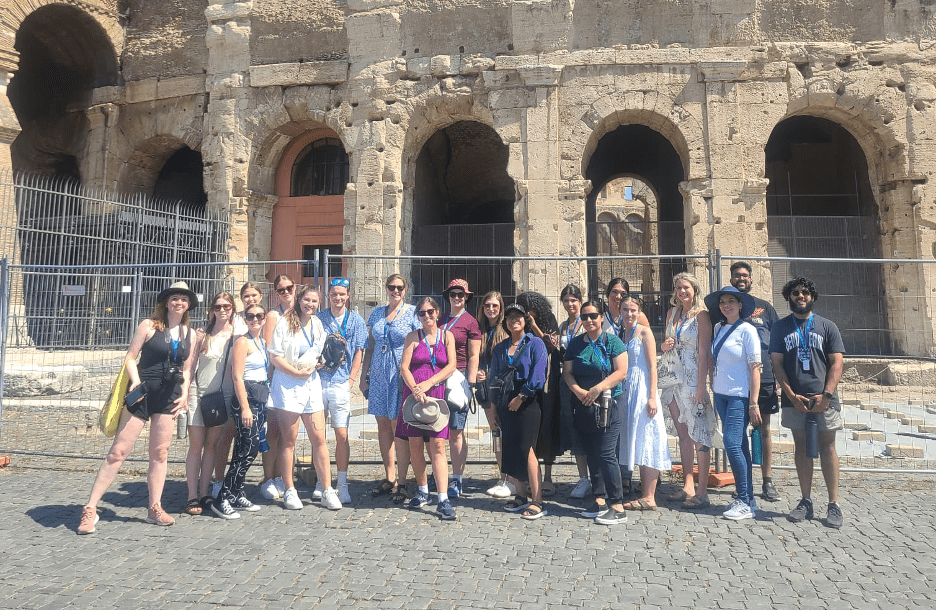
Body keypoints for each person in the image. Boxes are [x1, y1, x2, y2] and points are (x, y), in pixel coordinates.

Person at [78, 282, 198, 534]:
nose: (179, 302)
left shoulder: (190, 334)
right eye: (174, 298)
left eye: (184, 299)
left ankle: (154, 506)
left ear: (188, 305)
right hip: (142, 393)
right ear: (166, 303)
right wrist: (135, 381)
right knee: (118, 452)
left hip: (169, 397)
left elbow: (187, 369)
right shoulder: (149, 326)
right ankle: (90, 508)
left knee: (160, 453)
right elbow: (130, 357)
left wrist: (185, 394)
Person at [769, 277, 845, 529]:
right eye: (794, 293)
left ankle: (833, 503)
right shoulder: (780, 328)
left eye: (804, 293)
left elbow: (837, 362)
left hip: (824, 397)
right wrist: (790, 395)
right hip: (795, 398)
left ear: (812, 296)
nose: (800, 296)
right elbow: (777, 363)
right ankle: (806, 500)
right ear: (788, 297)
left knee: (828, 446)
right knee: (800, 446)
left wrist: (827, 395)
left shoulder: (827, 326)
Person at [269, 285, 341, 510]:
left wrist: (318, 362)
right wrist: (295, 372)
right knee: (289, 441)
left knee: (319, 439)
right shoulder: (285, 323)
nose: (310, 304)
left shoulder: (317, 324)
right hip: (289, 384)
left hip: (311, 383)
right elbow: (275, 356)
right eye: (307, 300)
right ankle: (289, 489)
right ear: (300, 300)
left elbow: (317, 350)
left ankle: (328, 489)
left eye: (314, 301)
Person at [563, 300, 629, 526]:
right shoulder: (574, 344)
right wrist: (579, 391)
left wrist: (597, 389)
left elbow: (621, 372)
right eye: (584, 317)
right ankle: (599, 499)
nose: (589, 320)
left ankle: (617, 505)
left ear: (601, 317)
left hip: (609, 402)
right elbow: (568, 373)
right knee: (591, 451)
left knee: (606, 452)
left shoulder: (613, 342)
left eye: (593, 316)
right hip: (584, 402)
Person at [396, 297, 458, 521]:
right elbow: (404, 367)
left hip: (436, 394)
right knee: (414, 445)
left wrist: (429, 384)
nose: (427, 316)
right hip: (414, 397)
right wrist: (416, 390)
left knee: (438, 445)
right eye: (422, 313)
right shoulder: (413, 337)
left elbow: (451, 365)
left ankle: (443, 497)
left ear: (438, 312)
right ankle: (423, 490)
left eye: (430, 312)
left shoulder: (447, 336)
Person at [659, 272, 718, 509]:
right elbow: (665, 343)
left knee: (700, 435)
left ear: (694, 289)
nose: (682, 291)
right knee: (683, 435)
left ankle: (703, 491)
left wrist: (702, 386)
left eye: (686, 287)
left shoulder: (701, 316)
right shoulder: (672, 314)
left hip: (693, 381)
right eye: (678, 287)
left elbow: (705, 353)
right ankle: (688, 485)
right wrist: (663, 345)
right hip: (674, 380)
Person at [360, 274, 419, 499]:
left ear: (405, 289)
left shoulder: (413, 313)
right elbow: (370, 347)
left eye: (399, 287)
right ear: (386, 289)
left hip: (400, 374)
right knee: (383, 425)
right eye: (391, 287)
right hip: (378, 373)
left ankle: (403, 481)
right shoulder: (376, 313)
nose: (395, 291)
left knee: (398, 426)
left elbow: (418, 343)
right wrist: (364, 376)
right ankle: (390, 475)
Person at [705, 286, 761, 520]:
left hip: (740, 395)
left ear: (740, 306)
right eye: (722, 302)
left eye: (731, 301)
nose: (726, 305)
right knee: (740, 446)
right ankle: (749, 498)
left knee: (731, 444)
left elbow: (755, 368)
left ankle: (742, 498)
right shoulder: (718, 328)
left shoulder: (748, 330)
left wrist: (754, 403)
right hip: (721, 394)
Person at [488, 303, 550, 519]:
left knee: (527, 449)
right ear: (505, 322)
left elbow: (539, 373)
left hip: (527, 400)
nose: (514, 320)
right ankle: (521, 496)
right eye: (510, 317)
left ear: (526, 320)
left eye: (518, 316)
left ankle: (538, 500)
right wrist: (493, 407)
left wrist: (522, 396)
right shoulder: (500, 348)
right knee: (512, 448)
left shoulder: (535, 344)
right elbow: (494, 378)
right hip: (505, 399)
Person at [728, 261, 781, 501]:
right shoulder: (726, 305)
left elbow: (777, 341)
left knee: (764, 429)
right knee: (737, 431)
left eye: (746, 276)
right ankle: (744, 480)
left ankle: (767, 480)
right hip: (735, 376)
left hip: (766, 374)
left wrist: (780, 375)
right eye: (737, 275)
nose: (742, 279)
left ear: (751, 279)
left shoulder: (765, 307)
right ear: (731, 279)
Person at [211, 304, 271, 519]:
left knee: (244, 448)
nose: (255, 319)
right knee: (249, 449)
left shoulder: (262, 342)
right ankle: (223, 497)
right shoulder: (242, 342)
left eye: (259, 316)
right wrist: (245, 407)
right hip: (246, 400)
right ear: (245, 319)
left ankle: (237, 492)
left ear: (264, 319)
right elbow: (237, 376)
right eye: (251, 316)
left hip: (260, 399)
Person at [183, 292, 236, 516]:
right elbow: (189, 366)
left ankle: (205, 492)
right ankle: (191, 494)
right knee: (196, 446)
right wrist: (184, 393)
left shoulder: (237, 335)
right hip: (199, 393)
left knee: (212, 446)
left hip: (221, 397)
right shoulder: (201, 335)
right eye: (217, 306)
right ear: (211, 309)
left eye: (226, 306)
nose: (222, 310)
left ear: (233, 308)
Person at [316, 277, 368, 504]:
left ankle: (342, 483)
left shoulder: (355, 320)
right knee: (318, 434)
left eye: (342, 294)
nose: (338, 298)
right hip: (318, 381)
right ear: (328, 296)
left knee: (341, 434)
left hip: (340, 382)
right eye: (334, 294)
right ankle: (321, 480)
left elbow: (359, 351)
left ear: (348, 296)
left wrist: (351, 380)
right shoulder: (319, 319)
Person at [617, 294, 671, 511]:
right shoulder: (624, 333)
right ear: (619, 312)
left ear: (639, 312)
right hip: (628, 390)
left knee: (648, 437)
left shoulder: (644, 332)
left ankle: (649, 496)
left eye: (633, 310)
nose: (629, 314)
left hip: (643, 391)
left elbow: (652, 366)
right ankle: (644, 491)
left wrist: (651, 396)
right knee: (637, 438)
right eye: (625, 310)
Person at [602, 277, 650, 494]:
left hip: (631, 381)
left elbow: (647, 348)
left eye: (622, 292)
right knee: (613, 429)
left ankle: (627, 475)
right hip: (607, 379)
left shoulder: (636, 317)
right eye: (614, 291)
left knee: (628, 428)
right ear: (608, 294)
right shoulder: (601, 318)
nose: (618, 295)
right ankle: (610, 475)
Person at [438, 279, 482, 498]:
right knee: (437, 431)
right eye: (453, 294)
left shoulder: (471, 322)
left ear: (466, 298)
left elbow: (474, 354)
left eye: (461, 295)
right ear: (448, 296)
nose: (457, 298)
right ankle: (440, 473)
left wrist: (471, 383)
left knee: (456, 431)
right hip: (439, 378)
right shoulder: (440, 319)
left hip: (459, 378)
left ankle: (457, 477)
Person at [515, 291, 561, 497]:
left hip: (548, 381)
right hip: (526, 380)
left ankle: (548, 476)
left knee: (547, 425)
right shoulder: (519, 320)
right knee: (528, 430)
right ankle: (527, 477)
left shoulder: (548, 320)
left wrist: (533, 325)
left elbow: (551, 345)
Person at [242, 281, 284, 502]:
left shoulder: (264, 318)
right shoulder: (238, 321)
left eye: (254, 295)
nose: (251, 299)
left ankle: (278, 477)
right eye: (246, 295)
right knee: (248, 437)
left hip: (269, 383)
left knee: (277, 432)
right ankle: (231, 482)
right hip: (247, 385)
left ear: (261, 296)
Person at [475, 291, 512, 498]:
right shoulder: (479, 329)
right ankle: (503, 476)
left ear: (501, 308)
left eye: (495, 306)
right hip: (486, 391)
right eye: (487, 305)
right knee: (496, 434)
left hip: (502, 390)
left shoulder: (506, 330)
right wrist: (478, 372)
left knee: (506, 433)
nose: (491, 309)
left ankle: (512, 478)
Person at [558, 284, 592, 499]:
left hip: (586, 379)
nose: (570, 304)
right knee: (574, 428)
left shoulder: (587, 321)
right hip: (567, 381)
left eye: (573, 300)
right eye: (566, 300)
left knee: (591, 427)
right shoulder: (563, 326)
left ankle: (597, 474)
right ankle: (583, 478)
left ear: (580, 301)